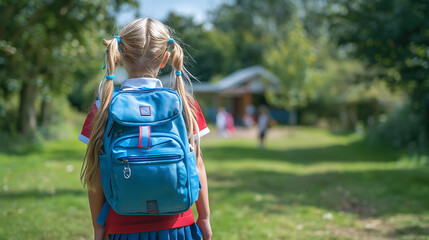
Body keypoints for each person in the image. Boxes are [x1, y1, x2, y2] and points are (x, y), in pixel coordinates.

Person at [78, 18, 212, 240]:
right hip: (178, 226)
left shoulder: (104, 104)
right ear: (165, 59)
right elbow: (197, 164)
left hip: (122, 226)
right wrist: (204, 218)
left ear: (119, 56)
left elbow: (96, 171)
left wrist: (98, 227)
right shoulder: (184, 103)